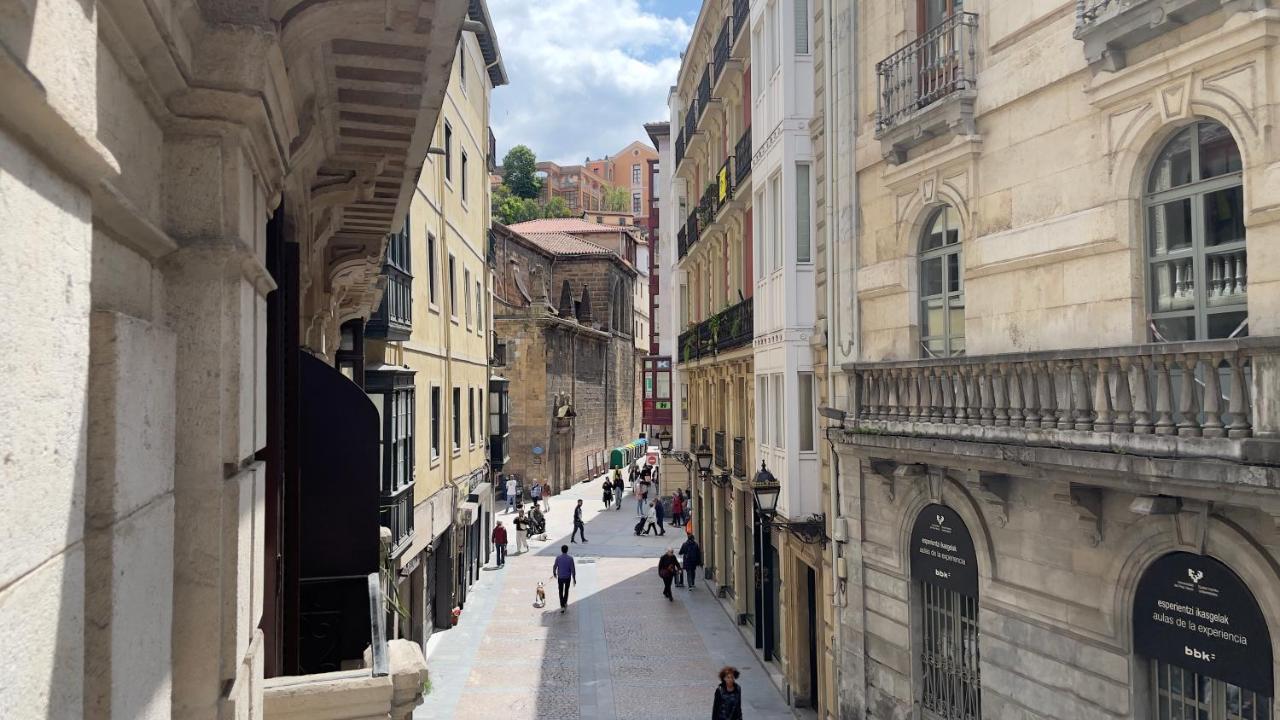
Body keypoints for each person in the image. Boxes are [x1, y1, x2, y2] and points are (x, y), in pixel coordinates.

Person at [551, 544, 576, 613]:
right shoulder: (570, 558)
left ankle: (562, 605)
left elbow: (554, 566)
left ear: (561, 550)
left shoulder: (558, 558)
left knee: (560, 591)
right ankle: (565, 602)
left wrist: (554, 573)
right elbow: (573, 569)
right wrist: (574, 578)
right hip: (567, 577)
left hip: (561, 577)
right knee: (566, 591)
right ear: (567, 550)